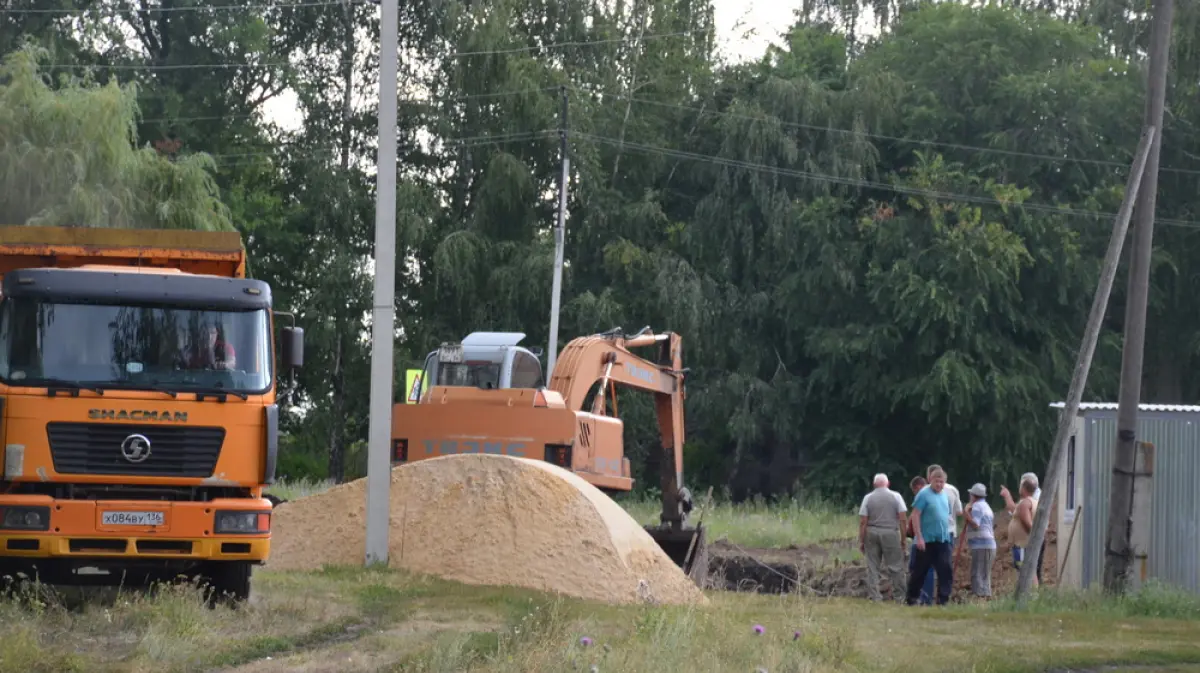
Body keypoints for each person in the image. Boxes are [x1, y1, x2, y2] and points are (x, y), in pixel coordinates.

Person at [906, 468, 954, 606]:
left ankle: (943, 600)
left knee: (946, 570)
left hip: (943, 539)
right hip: (927, 540)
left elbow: (946, 515)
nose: (939, 484)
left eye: (941, 482)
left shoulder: (944, 495)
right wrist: (919, 537)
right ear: (930, 480)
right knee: (920, 571)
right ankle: (912, 598)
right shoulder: (923, 494)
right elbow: (915, 515)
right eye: (936, 481)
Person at [858, 473, 907, 602]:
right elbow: (902, 518)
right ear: (888, 483)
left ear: (874, 484)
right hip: (890, 532)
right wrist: (903, 539)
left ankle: (875, 597)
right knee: (895, 566)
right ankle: (900, 597)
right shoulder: (896, 496)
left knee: (873, 567)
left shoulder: (868, 498)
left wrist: (861, 540)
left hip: (872, 532)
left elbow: (863, 521)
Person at [1000, 472, 1044, 584]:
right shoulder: (1032, 501)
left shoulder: (1025, 503)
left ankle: (1029, 595)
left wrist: (1034, 537)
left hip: (1022, 544)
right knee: (1027, 569)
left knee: (1025, 570)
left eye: (1021, 485)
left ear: (1024, 488)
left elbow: (1027, 523)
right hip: (1023, 543)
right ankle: (1030, 594)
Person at [955, 483, 996, 599]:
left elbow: (976, 524)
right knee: (984, 574)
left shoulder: (977, 506)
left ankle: (980, 598)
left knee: (977, 574)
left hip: (981, 545)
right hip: (986, 545)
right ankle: (985, 597)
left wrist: (966, 513)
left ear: (973, 495)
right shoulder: (986, 506)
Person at [905, 475, 934, 605]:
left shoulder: (924, 495)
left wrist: (909, 531)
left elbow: (915, 517)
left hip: (922, 538)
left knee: (920, 568)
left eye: (914, 491)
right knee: (921, 567)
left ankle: (922, 597)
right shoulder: (934, 495)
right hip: (925, 537)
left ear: (918, 487)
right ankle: (921, 596)